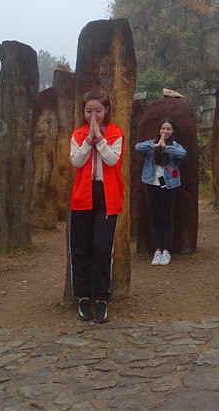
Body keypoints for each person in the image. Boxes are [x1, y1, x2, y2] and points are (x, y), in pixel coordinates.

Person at [69, 90, 125, 324]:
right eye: (89, 111)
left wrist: (99, 140)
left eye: (98, 111)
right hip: (83, 194)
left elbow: (113, 160)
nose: (93, 116)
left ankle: (101, 298)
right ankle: (82, 298)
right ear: (83, 112)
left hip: (107, 195)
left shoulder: (115, 134)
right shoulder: (78, 134)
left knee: (102, 248)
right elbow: (76, 161)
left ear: (107, 110)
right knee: (80, 249)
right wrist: (88, 141)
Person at [135, 118, 187, 266]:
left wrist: (165, 147)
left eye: (168, 129)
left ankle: (167, 250)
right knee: (155, 217)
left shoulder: (175, 147)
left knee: (167, 217)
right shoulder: (151, 145)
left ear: (173, 131)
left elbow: (182, 154)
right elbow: (138, 147)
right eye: (163, 128)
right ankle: (157, 250)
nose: (165, 131)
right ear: (159, 130)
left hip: (169, 186)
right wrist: (156, 146)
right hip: (151, 184)